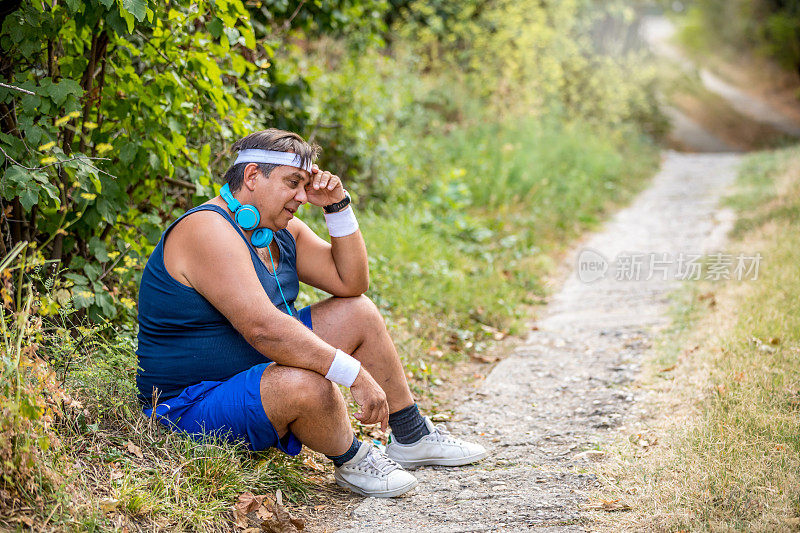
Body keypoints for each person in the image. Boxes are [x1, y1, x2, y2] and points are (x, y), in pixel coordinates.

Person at [136, 129, 487, 498]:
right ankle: (354, 458)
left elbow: (351, 283)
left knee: (358, 313)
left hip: (248, 367)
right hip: (187, 404)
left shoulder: (277, 230)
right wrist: (353, 374)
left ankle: (411, 435)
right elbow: (263, 329)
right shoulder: (206, 229)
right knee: (310, 383)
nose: (303, 197)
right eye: (293, 183)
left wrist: (337, 206)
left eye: (306, 185)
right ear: (253, 176)